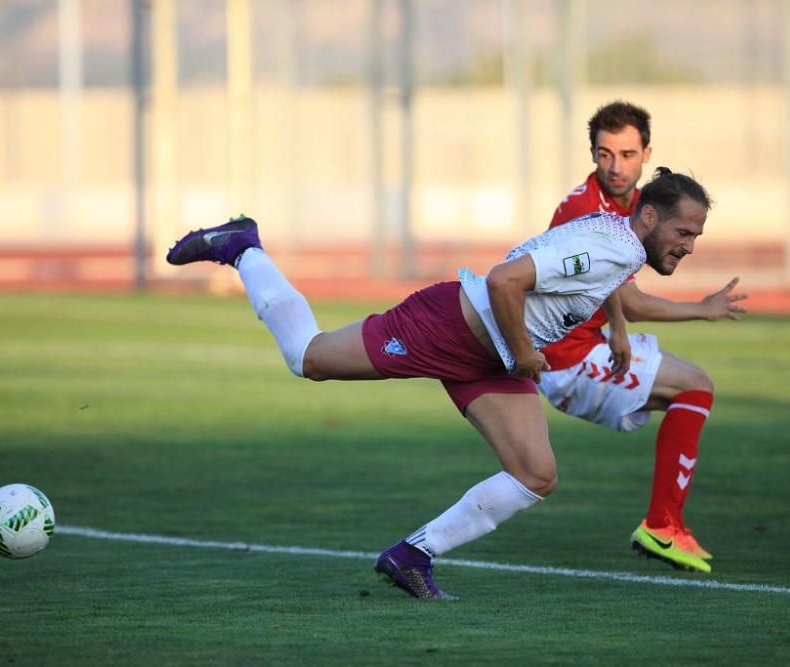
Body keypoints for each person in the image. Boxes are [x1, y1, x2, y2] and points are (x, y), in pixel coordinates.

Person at [166, 167, 712, 599]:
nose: (689, 245)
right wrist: (526, 353)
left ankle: (411, 556)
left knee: (536, 474)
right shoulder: (613, 245)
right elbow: (505, 279)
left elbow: (593, 280)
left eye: (696, 236)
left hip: (488, 358)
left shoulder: (621, 243)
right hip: (446, 327)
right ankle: (243, 247)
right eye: (683, 232)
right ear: (646, 217)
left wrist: (607, 327)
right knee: (309, 358)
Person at [539, 101, 748, 574]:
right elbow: (625, 296)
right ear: (592, 154)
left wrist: (616, 327)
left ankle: (666, 522)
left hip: (584, 347)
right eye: (605, 154)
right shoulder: (580, 208)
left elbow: (608, 282)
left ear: (646, 154)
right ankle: (661, 524)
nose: (616, 166)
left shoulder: (641, 206)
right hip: (565, 357)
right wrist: (699, 309)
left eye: (628, 154)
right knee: (694, 386)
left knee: (692, 389)